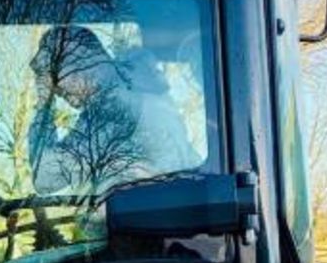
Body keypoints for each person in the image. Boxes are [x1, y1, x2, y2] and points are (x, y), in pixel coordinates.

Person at [25, 24, 200, 196]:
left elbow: (44, 177)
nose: (56, 90)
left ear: (79, 62)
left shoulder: (111, 109)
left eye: (55, 78)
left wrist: (44, 105)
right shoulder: (132, 87)